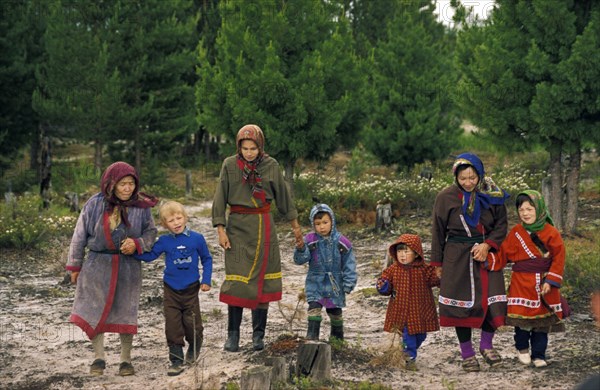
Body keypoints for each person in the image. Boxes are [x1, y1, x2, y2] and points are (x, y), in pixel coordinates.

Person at [212, 124, 303, 352]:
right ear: (239, 147)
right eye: (245, 148)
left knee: (262, 283)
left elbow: (283, 196)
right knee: (236, 281)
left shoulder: (270, 165)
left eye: (253, 148)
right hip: (236, 229)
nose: (249, 152)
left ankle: (257, 337)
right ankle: (233, 337)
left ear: (260, 147)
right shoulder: (229, 165)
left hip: (264, 227)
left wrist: (295, 226)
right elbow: (220, 196)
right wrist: (220, 229)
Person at [66, 161, 158, 376]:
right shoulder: (94, 204)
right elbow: (79, 236)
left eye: (131, 184)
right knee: (93, 308)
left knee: (126, 310)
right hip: (96, 265)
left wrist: (137, 244)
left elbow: (151, 232)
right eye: (123, 184)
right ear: (111, 184)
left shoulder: (141, 207)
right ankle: (98, 358)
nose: (128, 188)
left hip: (128, 267)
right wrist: (75, 266)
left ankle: (125, 360)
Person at [431, 152, 510, 372]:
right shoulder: (445, 198)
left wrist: (488, 245)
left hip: (487, 255)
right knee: (461, 305)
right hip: (457, 257)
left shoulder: (493, 195)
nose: (468, 182)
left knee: (491, 300)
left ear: (480, 174)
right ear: (456, 176)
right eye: (463, 178)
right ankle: (467, 353)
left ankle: (486, 345)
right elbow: (437, 232)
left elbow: (502, 226)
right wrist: (437, 265)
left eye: (472, 178)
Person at [134, 201, 213, 376]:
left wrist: (206, 280)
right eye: (171, 220)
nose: (176, 223)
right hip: (171, 289)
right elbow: (150, 256)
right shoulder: (164, 241)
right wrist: (133, 250)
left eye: (179, 218)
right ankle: (176, 360)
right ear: (164, 224)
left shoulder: (197, 238)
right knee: (172, 325)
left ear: (185, 218)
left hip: (191, 288)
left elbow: (207, 259)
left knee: (192, 322)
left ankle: (194, 346)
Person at [497, 190, 566, 368]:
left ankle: (539, 355)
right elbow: (502, 255)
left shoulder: (551, 232)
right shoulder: (516, 232)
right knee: (522, 322)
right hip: (521, 284)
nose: (525, 213)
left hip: (545, 285)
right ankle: (522, 349)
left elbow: (559, 257)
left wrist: (551, 280)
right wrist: (486, 259)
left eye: (530, 209)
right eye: (521, 210)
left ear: (539, 209)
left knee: (542, 325)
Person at [294, 204, 357, 342]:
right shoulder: (310, 240)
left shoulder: (342, 241)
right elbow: (301, 260)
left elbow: (349, 264)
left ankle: (337, 339)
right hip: (315, 281)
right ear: (313, 224)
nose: (321, 227)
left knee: (335, 311)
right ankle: (312, 336)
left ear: (332, 221)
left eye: (325, 222)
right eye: (317, 224)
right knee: (314, 307)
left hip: (335, 282)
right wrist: (300, 249)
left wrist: (349, 282)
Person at [376, 234, 440, 370]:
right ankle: (409, 358)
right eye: (399, 251)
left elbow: (435, 279)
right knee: (408, 334)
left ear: (416, 254)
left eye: (406, 251)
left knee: (421, 335)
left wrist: (441, 275)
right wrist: (383, 286)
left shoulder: (424, 269)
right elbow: (384, 281)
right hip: (401, 309)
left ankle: (406, 350)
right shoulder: (393, 269)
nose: (402, 255)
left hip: (420, 309)